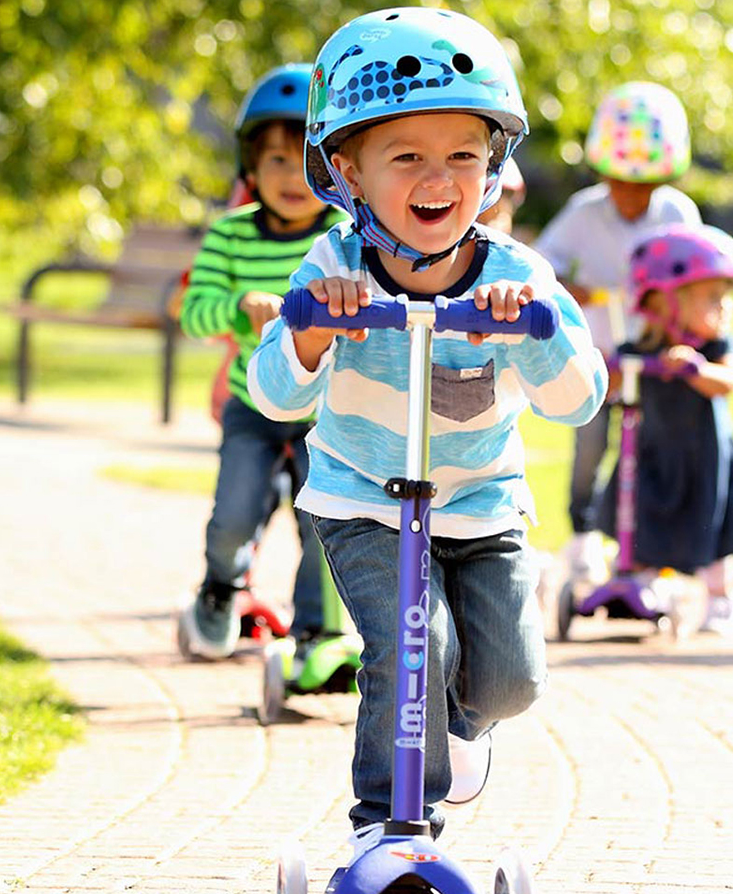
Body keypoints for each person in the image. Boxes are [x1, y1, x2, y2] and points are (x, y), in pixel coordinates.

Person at [248, 7, 607, 844]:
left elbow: (578, 401)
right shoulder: (334, 265)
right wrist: (310, 329)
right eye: (405, 156)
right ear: (347, 171)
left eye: (462, 157)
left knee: (511, 681)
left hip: (482, 504)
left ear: (492, 168)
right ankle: (388, 823)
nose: (437, 178)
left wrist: (535, 328)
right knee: (413, 649)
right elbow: (274, 396)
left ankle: (464, 730)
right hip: (364, 499)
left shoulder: (518, 276)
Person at [177, 64, 346, 660]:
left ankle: (314, 635)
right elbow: (192, 314)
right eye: (275, 160)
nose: (290, 176)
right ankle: (222, 586)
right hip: (252, 404)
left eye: (305, 160)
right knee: (234, 513)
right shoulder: (230, 235)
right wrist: (234, 305)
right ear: (250, 167)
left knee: (322, 525)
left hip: (326, 410)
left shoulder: (346, 236)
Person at [533, 82, 701, 585]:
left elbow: (696, 270)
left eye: (643, 185)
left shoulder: (676, 213)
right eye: (621, 183)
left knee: (651, 449)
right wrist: (571, 287)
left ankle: (644, 546)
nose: (630, 195)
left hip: (651, 355)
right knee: (590, 447)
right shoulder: (585, 212)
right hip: (600, 353)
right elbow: (540, 264)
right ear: (604, 174)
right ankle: (583, 534)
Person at [598, 224, 733, 633]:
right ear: (667, 301)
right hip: (651, 452)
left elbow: (728, 382)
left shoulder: (715, 348)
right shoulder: (638, 351)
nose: (725, 308)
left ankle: (719, 597)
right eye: (713, 297)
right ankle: (641, 579)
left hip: (704, 457)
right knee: (642, 514)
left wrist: (696, 368)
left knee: (712, 524)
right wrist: (607, 370)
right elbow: (607, 384)